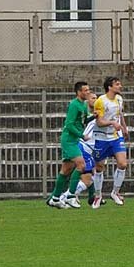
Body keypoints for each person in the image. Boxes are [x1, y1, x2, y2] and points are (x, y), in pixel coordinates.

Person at [47, 81, 91, 209]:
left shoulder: (83, 105)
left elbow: (82, 121)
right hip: (69, 140)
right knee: (81, 165)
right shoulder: (74, 104)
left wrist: (93, 117)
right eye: (85, 90)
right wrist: (82, 135)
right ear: (79, 92)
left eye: (89, 90)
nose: (88, 92)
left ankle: (55, 198)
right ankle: (71, 196)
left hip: (74, 140)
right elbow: (69, 124)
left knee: (66, 170)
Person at [91, 76, 129, 208]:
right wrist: (113, 123)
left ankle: (115, 192)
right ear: (110, 87)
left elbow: (120, 115)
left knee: (123, 163)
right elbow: (99, 122)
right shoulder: (100, 101)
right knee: (99, 167)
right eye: (117, 84)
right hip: (102, 137)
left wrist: (124, 127)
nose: (120, 86)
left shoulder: (119, 99)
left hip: (116, 136)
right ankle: (98, 195)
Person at [60, 91, 99, 207]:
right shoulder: (84, 113)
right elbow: (75, 128)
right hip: (84, 147)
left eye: (96, 98)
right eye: (93, 98)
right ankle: (66, 197)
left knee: (90, 176)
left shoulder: (91, 114)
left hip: (87, 149)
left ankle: (93, 198)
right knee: (87, 178)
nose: (95, 100)